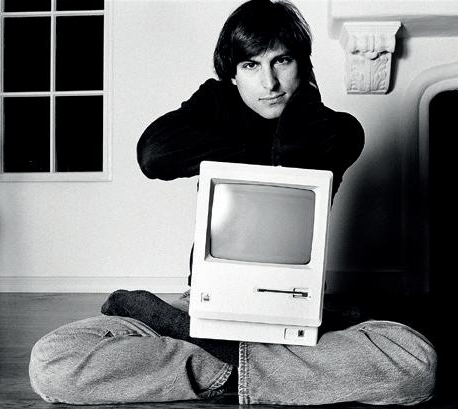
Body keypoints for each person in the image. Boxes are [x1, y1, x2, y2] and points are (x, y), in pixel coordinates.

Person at [29, 0, 436, 405]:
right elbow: (153, 156)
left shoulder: (339, 130)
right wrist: (219, 101)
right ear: (233, 75)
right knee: (52, 362)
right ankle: (267, 372)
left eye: (282, 61)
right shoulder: (217, 105)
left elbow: (292, 153)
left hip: (294, 312)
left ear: (304, 65)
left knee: (415, 364)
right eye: (251, 65)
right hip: (205, 304)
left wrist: (301, 100)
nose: (270, 83)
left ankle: (210, 365)